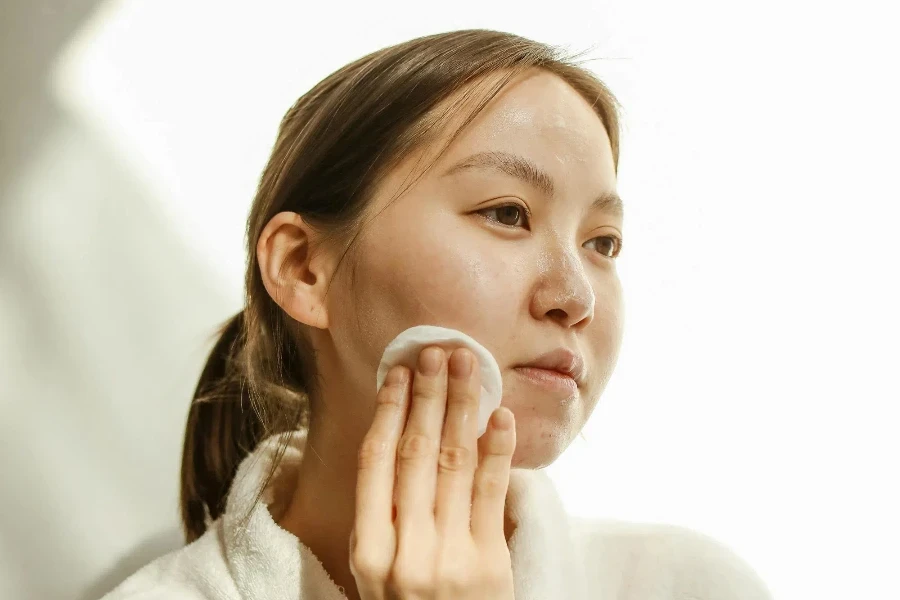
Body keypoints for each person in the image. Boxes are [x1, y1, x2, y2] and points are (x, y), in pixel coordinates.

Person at [102, 28, 773, 600]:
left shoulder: (686, 584)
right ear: (305, 268)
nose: (577, 296)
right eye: (507, 213)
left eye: (603, 243)